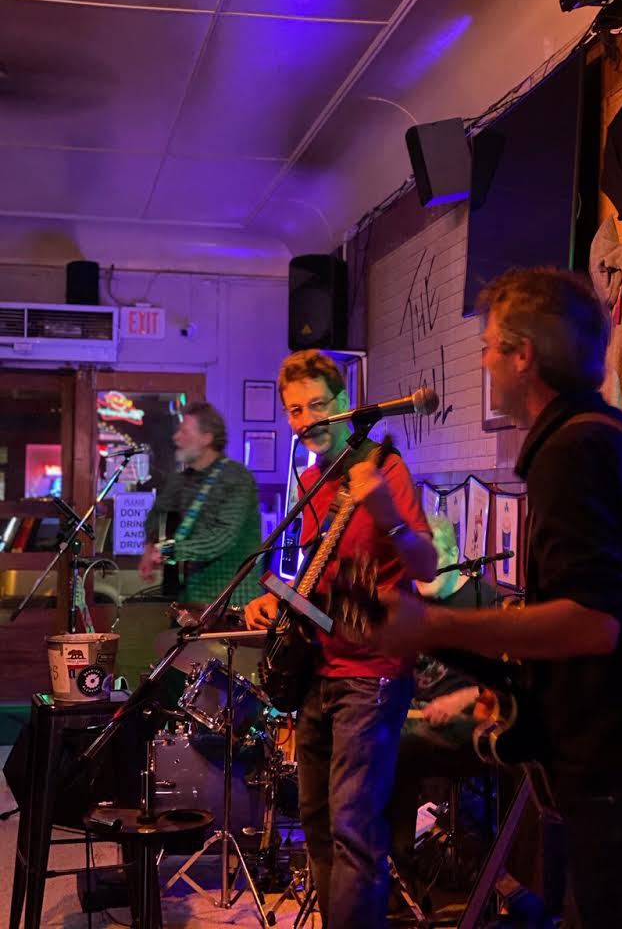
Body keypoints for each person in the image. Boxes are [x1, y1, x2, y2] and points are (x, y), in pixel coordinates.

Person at [371, 268, 622, 929]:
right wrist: (515, 688)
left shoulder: (572, 452)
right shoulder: (604, 436)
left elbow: (592, 623)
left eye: (490, 346)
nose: (483, 362)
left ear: (523, 356)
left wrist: (433, 625)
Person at [245, 349, 436, 929]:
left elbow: (426, 564)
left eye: (316, 406)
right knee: (317, 822)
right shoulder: (311, 481)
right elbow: (325, 580)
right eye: (294, 410)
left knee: (354, 829)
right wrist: (280, 598)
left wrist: (387, 512)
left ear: (345, 401)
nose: (306, 420)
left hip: (372, 672)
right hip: (319, 668)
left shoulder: (385, 468)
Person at [388, 513, 495, 889]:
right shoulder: (409, 598)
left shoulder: (482, 599)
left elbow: (504, 681)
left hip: (469, 725)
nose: (421, 578)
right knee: (372, 738)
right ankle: (388, 868)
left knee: (397, 747)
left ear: (452, 554)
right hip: (415, 717)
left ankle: (401, 868)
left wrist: (461, 698)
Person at [139, 401, 262, 605]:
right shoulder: (182, 479)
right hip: (193, 596)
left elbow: (221, 538)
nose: (176, 437)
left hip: (232, 599)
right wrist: (148, 547)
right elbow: (157, 512)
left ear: (206, 438)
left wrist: (167, 550)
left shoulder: (236, 477)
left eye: (184, 432)